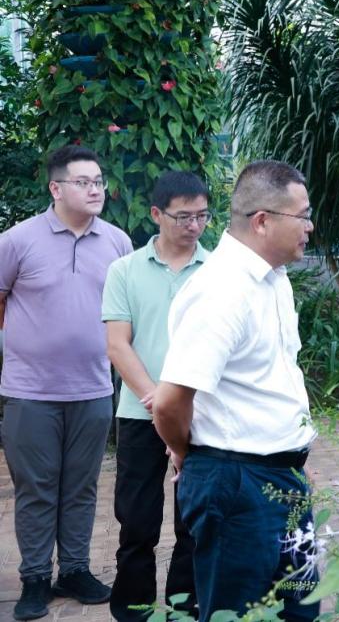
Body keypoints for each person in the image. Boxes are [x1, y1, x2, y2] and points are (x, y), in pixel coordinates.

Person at [151, 161, 319, 622]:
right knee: (239, 614)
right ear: (262, 221)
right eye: (302, 215)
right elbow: (169, 402)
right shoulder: (222, 290)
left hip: (283, 479)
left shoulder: (273, 278)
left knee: (299, 609)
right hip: (238, 483)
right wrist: (186, 452)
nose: (310, 226)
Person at [0, 145, 132, 620]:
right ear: (56, 188)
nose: (95, 189)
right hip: (30, 392)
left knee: (81, 486)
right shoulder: (17, 240)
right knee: (36, 488)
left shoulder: (117, 242)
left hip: (93, 389)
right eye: (83, 182)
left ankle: (74, 569)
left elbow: (126, 313)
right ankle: (35, 578)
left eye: (99, 181)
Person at [102, 171, 210, 621]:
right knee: (137, 522)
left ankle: (186, 607)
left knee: (194, 521)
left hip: (202, 415)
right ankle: (134, 609)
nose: (194, 226)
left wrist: (179, 408)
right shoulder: (125, 270)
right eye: (183, 217)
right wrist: (158, 402)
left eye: (202, 216)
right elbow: (117, 345)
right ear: (156, 214)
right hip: (138, 414)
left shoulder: (218, 272)